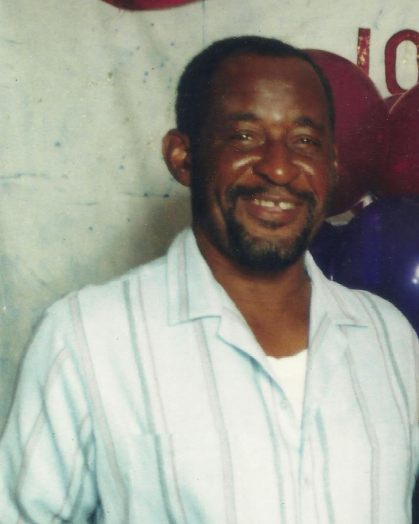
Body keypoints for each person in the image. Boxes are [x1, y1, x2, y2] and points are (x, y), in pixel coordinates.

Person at [0, 36, 418, 523]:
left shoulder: (389, 339)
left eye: (305, 141)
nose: (279, 167)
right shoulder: (87, 339)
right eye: (245, 136)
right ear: (183, 156)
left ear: (332, 163)